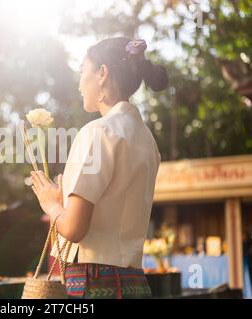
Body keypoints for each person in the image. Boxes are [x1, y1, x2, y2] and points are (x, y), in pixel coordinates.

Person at [30, 37, 168, 299]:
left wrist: (51, 205)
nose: (80, 83)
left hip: (92, 284)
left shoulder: (98, 132)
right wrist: (64, 204)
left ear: (102, 73)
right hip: (135, 284)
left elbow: (74, 229)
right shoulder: (147, 141)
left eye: (83, 70)